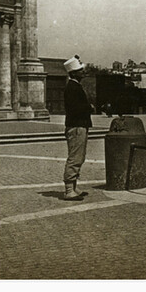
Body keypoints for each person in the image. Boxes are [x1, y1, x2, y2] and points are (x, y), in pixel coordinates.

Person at [62, 55, 91, 201]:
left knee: (79, 156)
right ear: (73, 73)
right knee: (75, 157)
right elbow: (76, 108)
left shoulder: (74, 86)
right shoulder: (73, 87)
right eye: (80, 70)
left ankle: (73, 187)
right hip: (77, 126)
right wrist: (88, 107)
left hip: (79, 125)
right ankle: (69, 190)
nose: (83, 72)